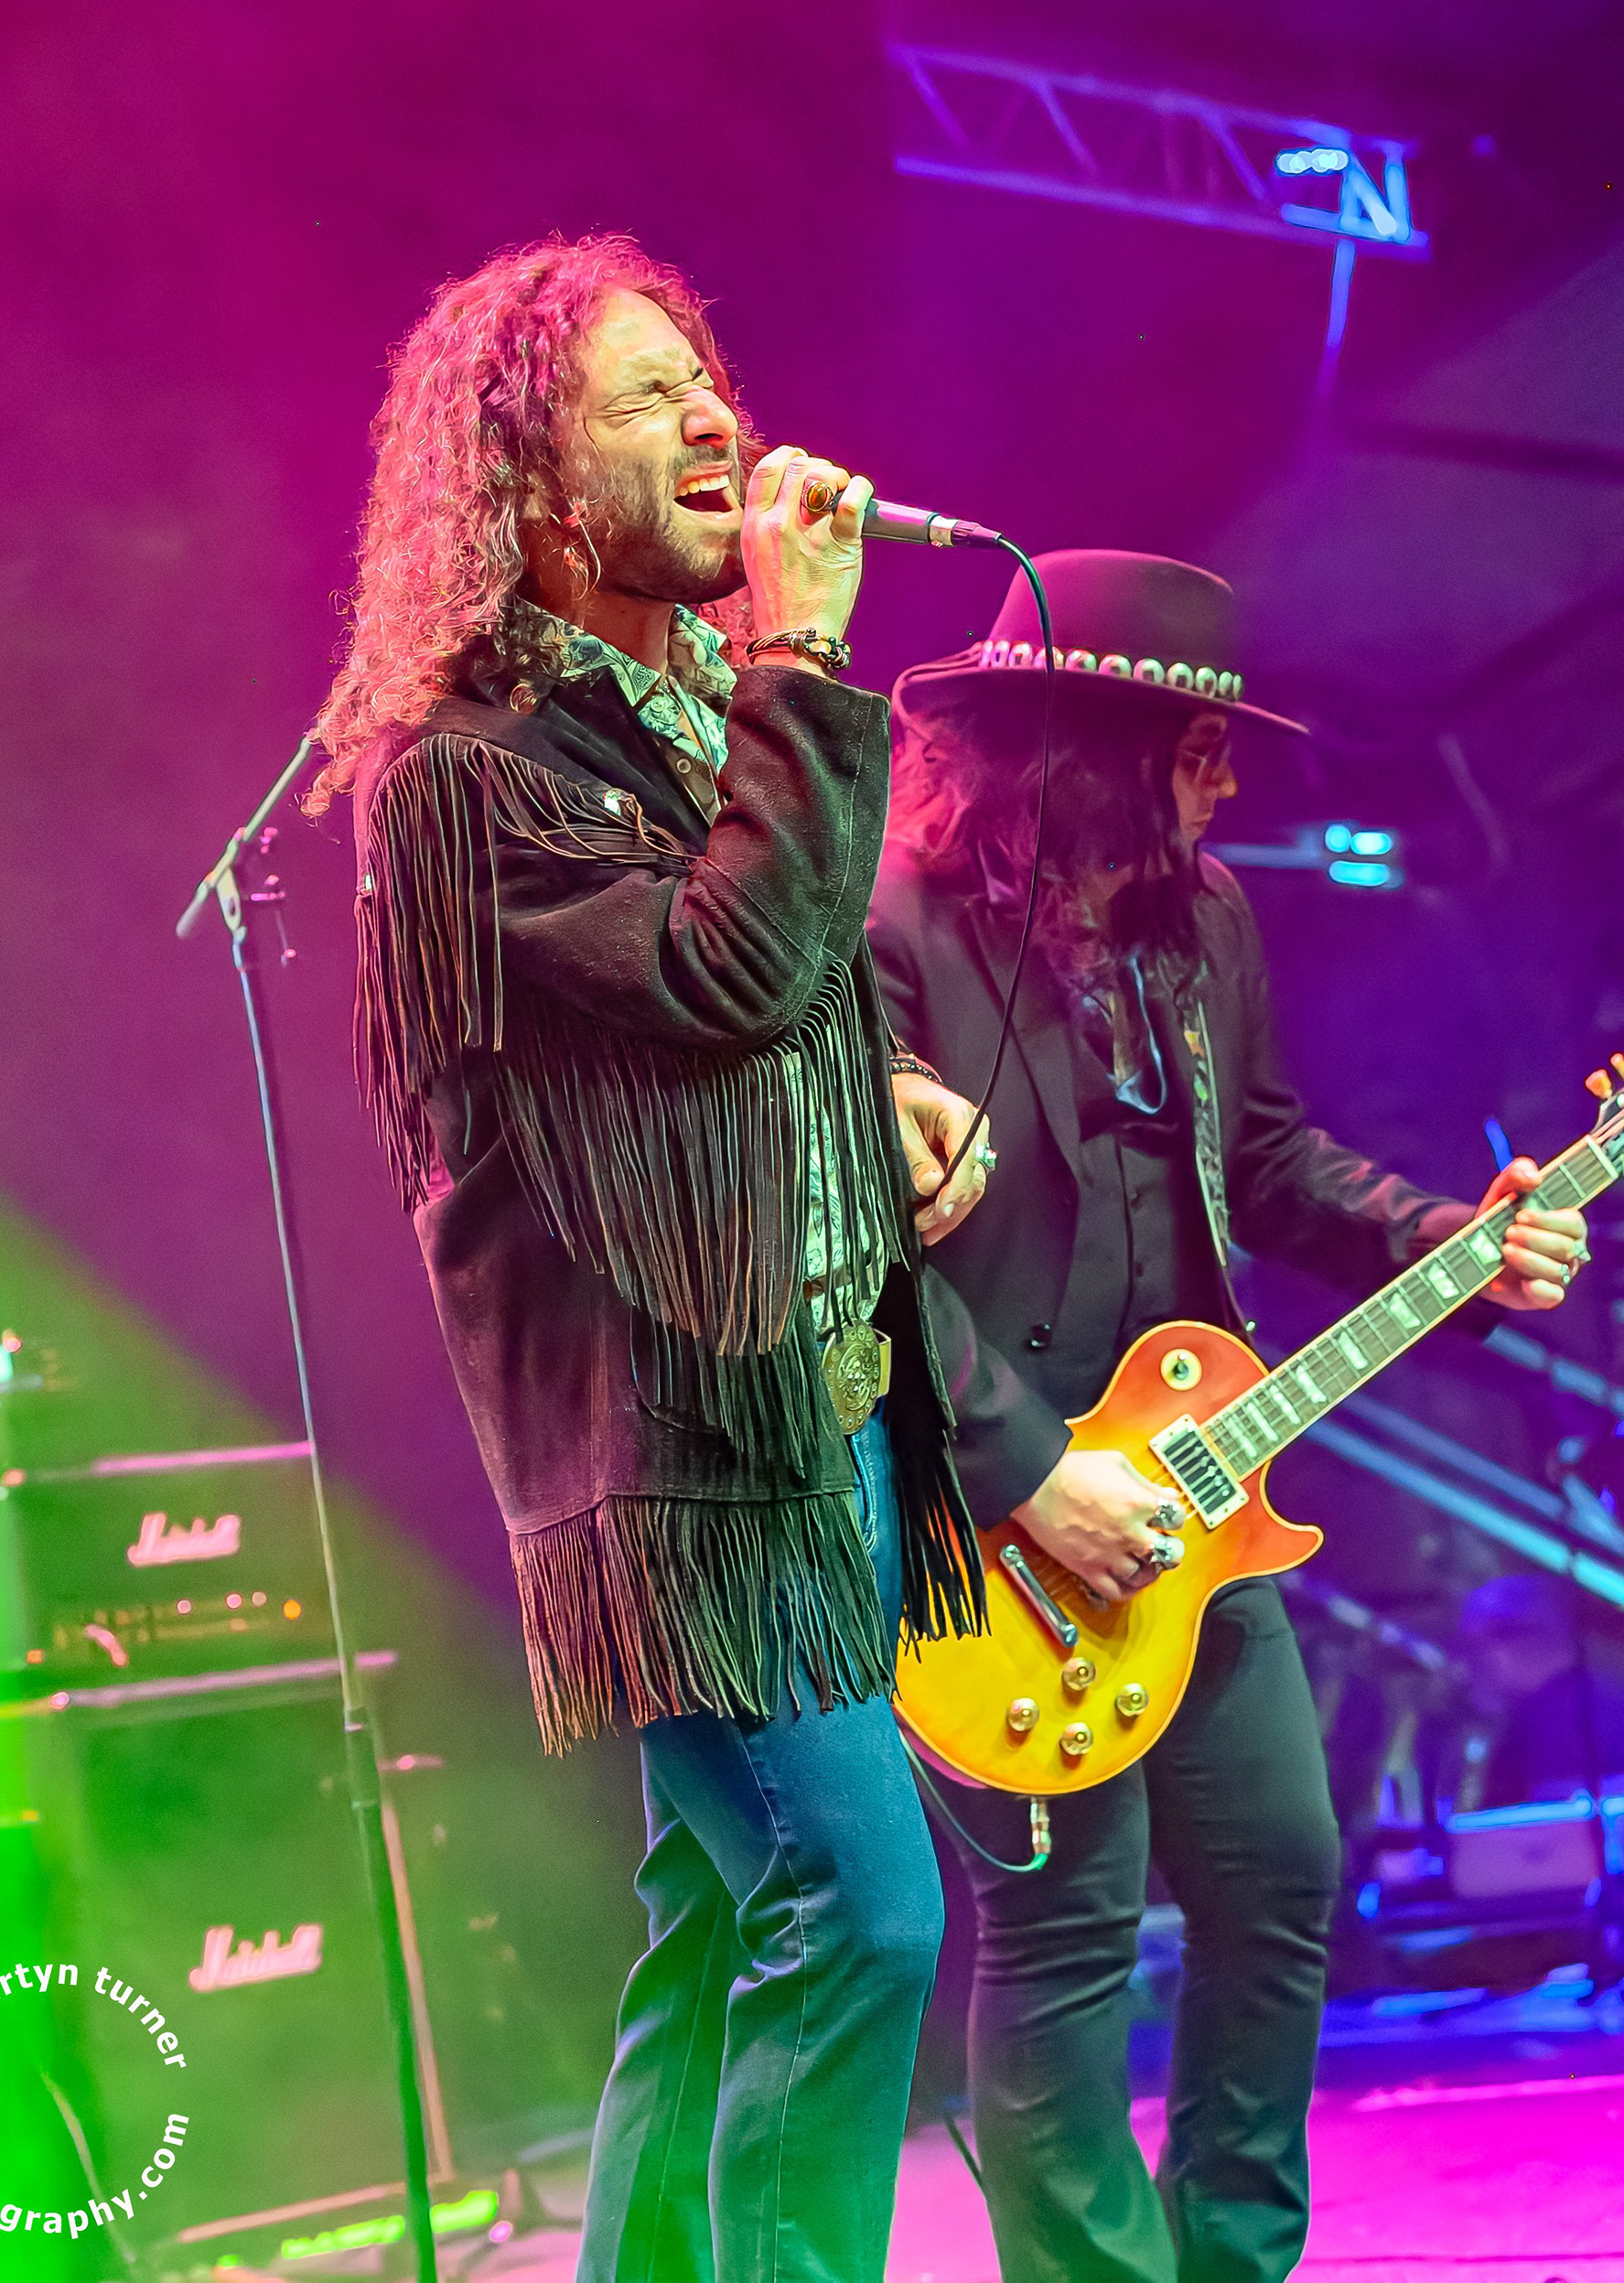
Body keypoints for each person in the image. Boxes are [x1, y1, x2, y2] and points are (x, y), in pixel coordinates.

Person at [307, 233, 998, 2283]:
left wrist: (886, 1094)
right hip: (678, 1457)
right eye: (647, 395)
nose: (717, 419)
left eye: (711, 379)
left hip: (818, 1411)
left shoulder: (691, 725)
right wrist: (804, 653)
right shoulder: (469, 778)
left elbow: (765, 1013)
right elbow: (715, 974)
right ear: (529, 487)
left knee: (719, 1930)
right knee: (860, 1910)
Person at [866, 551, 1590, 2283]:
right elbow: (856, 1264)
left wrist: (1452, 1240)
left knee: (1279, 1884)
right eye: (1200, 747)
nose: (1230, 783)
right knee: (1069, 1936)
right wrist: (1032, 1477)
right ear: (1100, 750)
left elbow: (1263, 1159)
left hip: (1201, 1490)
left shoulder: (1202, 920)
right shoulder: (890, 932)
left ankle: (1237, 2260)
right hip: (1000, 1522)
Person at [1460, 1571, 1624, 1804]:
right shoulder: (1593, 1701)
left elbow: (1550, 1819)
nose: (1469, 1663)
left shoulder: (1561, 1720)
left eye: (1474, 1646)